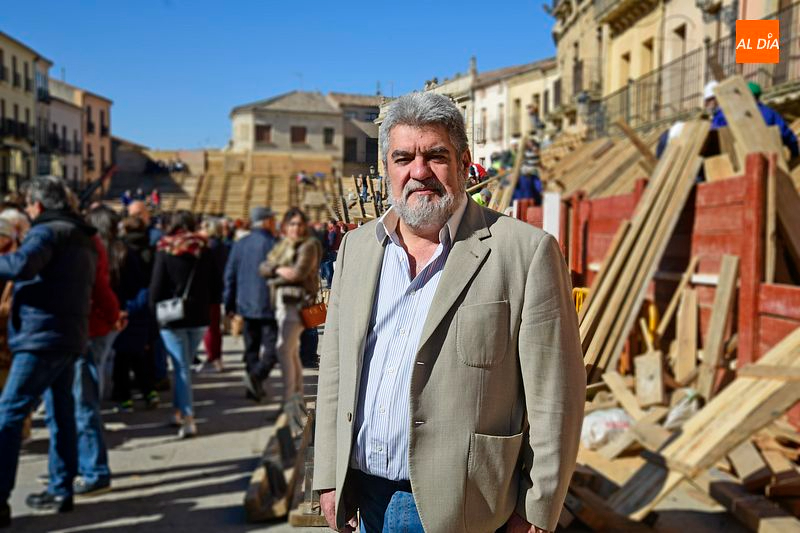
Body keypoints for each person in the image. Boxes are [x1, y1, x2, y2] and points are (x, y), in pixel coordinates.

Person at [313, 93, 585, 533]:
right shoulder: (357, 249)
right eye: (403, 158)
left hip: (468, 508)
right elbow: (336, 373)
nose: (418, 172)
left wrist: (537, 510)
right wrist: (328, 476)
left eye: (435, 155)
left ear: (463, 162)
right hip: (365, 500)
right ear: (387, 169)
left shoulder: (524, 252)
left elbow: (557, 397)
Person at [0, 176, 98, 526]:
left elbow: (21, 266)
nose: (28, 210)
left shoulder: (46, 231)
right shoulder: (82, 236)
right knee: (61, 413)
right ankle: (61, 490)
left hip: (41, 336)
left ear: (37, 205)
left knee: (8, 415)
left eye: (28, 205)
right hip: (70, 334)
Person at [149, 210, 221, 438]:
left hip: (172, 317)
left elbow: (156, 288)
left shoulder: (165, 249)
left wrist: (154, 314)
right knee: (184, 367)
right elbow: (216, 285)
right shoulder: (204, 249)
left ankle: (189, 419)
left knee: (181, 368)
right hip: (199, 316)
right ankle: (178, 411)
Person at [74, 207, 125, 497]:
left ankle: (92, 468)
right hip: (103, 323)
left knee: (84, 400)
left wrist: (114, 312)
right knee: (88, 393)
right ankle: (85, 466)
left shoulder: (90, 247)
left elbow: (100, 288)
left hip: (94, 325)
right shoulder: (103, 248)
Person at [259, 208, 321, 425]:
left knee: (283, 349)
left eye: (299, 224)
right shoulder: (284, 244)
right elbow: (263, 267)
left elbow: (297, 273)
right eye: (291, 224)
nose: (295, 228)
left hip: (298, 305)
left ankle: (289, 404)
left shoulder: (309, 246)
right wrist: (278, 269)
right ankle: (295, 404)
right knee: (291, 351)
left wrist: (275, 270)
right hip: (281, 303)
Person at [224, 207, 278, 401]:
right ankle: (256, 378)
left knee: (251, 349)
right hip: (268, 306)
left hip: (245, 305)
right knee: (271, 351)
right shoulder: (274, 244)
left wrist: (228, 304)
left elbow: (229, 276)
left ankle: (253, 384)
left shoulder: (240, 244)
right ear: (265, 222)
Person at [113, 216, 159, 410]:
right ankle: (149, 391)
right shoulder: (151, 249)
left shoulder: (121, 251)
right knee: (141, 351)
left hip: (124, 303)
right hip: (145, 303)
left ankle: (125, 397)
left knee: (122, 355)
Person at [710, 80, 799, 158]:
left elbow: (714, 132)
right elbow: (787, 135)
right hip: (768, 158)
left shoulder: (728, 113)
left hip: (738, 159)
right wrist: (795, 153)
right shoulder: (770, 113)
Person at [200, 217, 229, 372]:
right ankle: (215, 356)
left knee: (210, 328)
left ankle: (213, 357)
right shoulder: (222, 245)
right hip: (217, 290)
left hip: (209, 291)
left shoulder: (210, 247)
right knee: (214, 327)